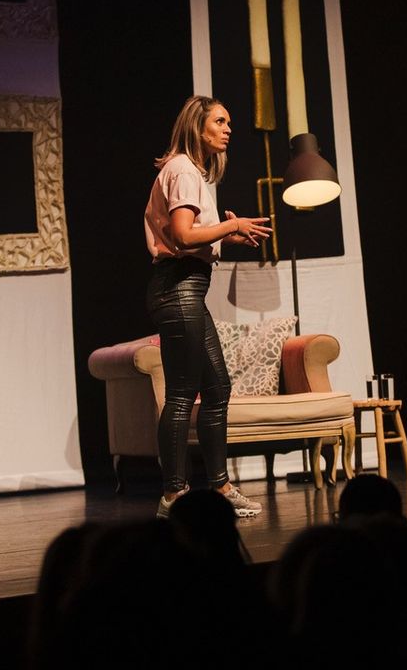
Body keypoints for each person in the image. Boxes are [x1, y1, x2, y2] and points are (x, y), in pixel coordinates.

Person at [144, 95, 271, 518]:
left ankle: (219, 488)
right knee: (182, 394)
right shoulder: (182, 169)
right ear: (197, 128)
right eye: (220, 121)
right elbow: (182, 236)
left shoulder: (190, 171)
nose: (228, 129)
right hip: (177, 286)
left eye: (229, 122)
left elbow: (191, 235)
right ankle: (173, 497)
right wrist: (231, 224)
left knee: (216, 388)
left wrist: (225, 235)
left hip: (187, 288)